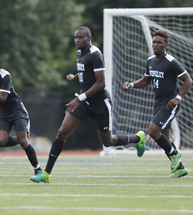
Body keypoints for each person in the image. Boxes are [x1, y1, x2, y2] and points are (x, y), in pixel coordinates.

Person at [30, 26, 145, 183]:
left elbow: (101, 82)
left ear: (89, 38)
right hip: (84, 102)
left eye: (81, 37)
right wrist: (75, 77)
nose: (77, 40)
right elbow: (87, 71)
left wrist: (79, 98)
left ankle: (137, 138)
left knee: (108, 142)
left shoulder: (95, 54)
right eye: (76, 37)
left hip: (100, 103)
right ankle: (46, 173)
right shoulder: (80, 53)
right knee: (62, 133)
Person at [123, 30, 192, 178]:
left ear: (166, 45)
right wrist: (132, 85)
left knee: (153, 131)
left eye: (159, 42)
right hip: (158, 102)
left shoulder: (171, 62)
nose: (155, 45)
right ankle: (180, 169)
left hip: (169, 104)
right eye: (154, 42)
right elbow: (146, 80)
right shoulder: (150, 61)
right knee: (166, 139)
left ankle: (174, 155)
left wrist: (177, 98)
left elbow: (188, 80)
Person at [0, 51, 42, 175]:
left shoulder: (5, 75)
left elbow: (2, 97)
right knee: (0, 141)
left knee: (24, 142)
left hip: (16, 110)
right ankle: (22, 137)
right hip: (4, 113)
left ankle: (38, 170)